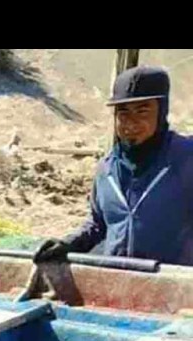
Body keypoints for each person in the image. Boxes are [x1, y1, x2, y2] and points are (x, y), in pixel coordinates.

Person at [34, 66, 193, 266]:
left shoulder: (186, 158)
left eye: (142, 111)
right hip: (116, 280)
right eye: (123, 113)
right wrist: (68, 243)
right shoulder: (107, 169)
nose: (131, 123)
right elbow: (98, 225)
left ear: (162, 112)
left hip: (173, 282)